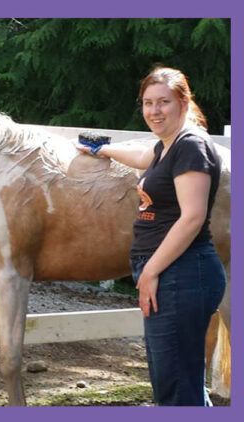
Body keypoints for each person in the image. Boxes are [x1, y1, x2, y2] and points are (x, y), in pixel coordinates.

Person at [77, 66, 226, 406]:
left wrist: (151, 272)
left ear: (183, 103)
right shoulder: (168, 146)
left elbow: (192, 217)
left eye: (163, 102)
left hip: (181, 274)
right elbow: (142, 156)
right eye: (148, 103)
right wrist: (100, 149)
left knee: (175, 388)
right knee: (181, 382)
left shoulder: (191, 146)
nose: (154, 111)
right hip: (175, 274)